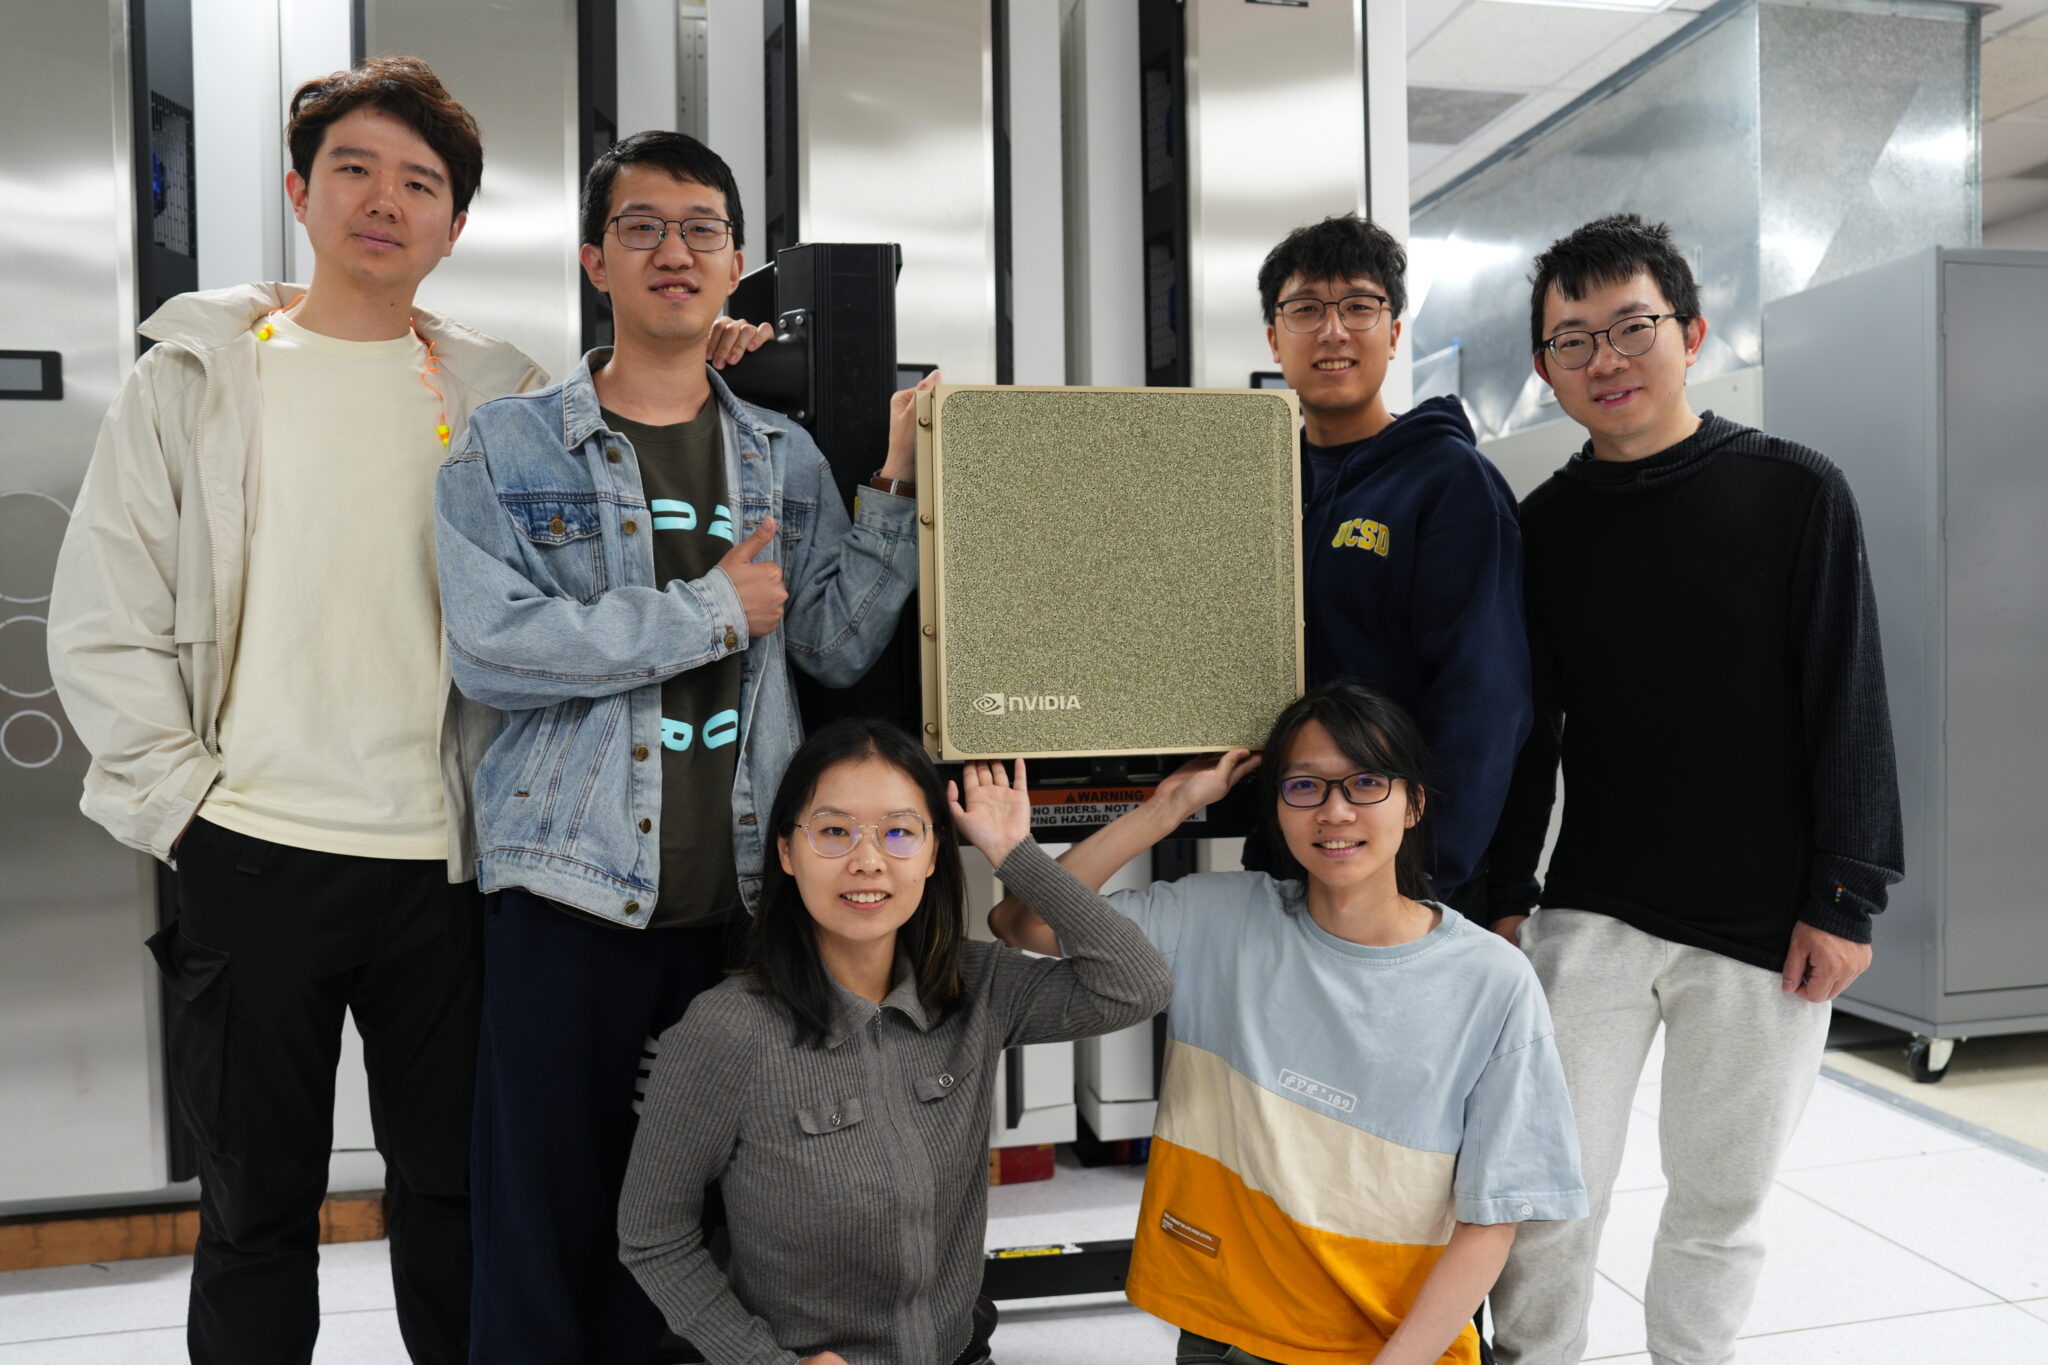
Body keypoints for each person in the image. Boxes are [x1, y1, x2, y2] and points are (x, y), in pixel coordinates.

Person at [45, 57, 542, 1365]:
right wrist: (188, 812)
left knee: (457, 1198)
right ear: (298, 192)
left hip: (450, 866)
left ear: (454, 224)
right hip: (254, 848)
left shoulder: (504, 396)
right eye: (353, 170)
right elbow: (102, 611)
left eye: (419, 183)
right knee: (255, 1207)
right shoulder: (199, 376)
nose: (384, 200)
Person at [433, 130, 930, 1361]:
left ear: (734, 260)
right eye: (643, 227)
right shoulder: (510, 444)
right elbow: (493, 650)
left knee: (705, 1225)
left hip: (738, 908)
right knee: (545, 1221)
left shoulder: (779, 456)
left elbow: (831, 645)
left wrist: (896, 487)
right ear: (594, 259)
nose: (674, 250)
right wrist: (707, 610)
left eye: (702, 228)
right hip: (569, 892)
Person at [1482, 213, 1903, 1365]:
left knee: (1720, 1202)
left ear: (1692, 335)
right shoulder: (1542, 528)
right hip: (1591, 910)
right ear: (1544, 369)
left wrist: (1845, 896)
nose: (1606, 360)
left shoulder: (1794, 492)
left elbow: (1848, 697)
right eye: (1573, 341)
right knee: (1547, 1188)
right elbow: (1526, 732)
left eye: (1631, 328)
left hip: (1766, 924)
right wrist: (1504, 893)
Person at [991, 681, 1586, 1365]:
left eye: (1366, 782)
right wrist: (1168, 805)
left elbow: (1495, 1216)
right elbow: (1025, 923)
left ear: (1414, 804)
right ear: (1277, 808)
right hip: (1222, 1330)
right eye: (1304, 786)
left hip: (1391, 1346)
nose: (1335, 810)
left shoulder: (1491, 980)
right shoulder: (1215, 918)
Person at [615, 719, 1173, 1365]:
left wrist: (1015, 852)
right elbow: (653, 1236)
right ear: (787, 852)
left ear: (934, 854)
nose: (868, 859)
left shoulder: (975, 984)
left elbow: (1136, 986)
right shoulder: (726, 1029)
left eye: (901, 831)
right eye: (834, 831)